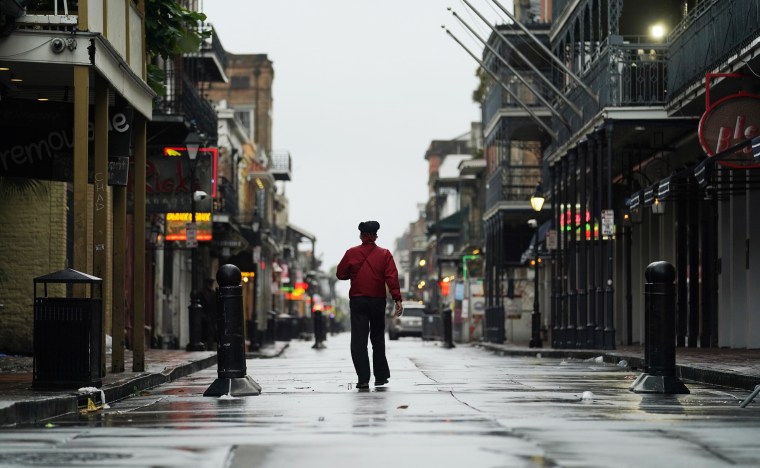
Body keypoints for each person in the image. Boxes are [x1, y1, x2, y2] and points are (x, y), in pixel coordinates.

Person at [337, 220, 403, 389]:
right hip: (377, 301)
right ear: (375, 236)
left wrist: (354, 274)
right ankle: (380, 377)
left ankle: (363, 378)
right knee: (377, 339)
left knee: (359, 340)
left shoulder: (351, 253)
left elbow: (340, 274)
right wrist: (397, 299)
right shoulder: (385, 254)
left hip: (358, 301)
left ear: (361, 235)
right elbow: (391, 277)